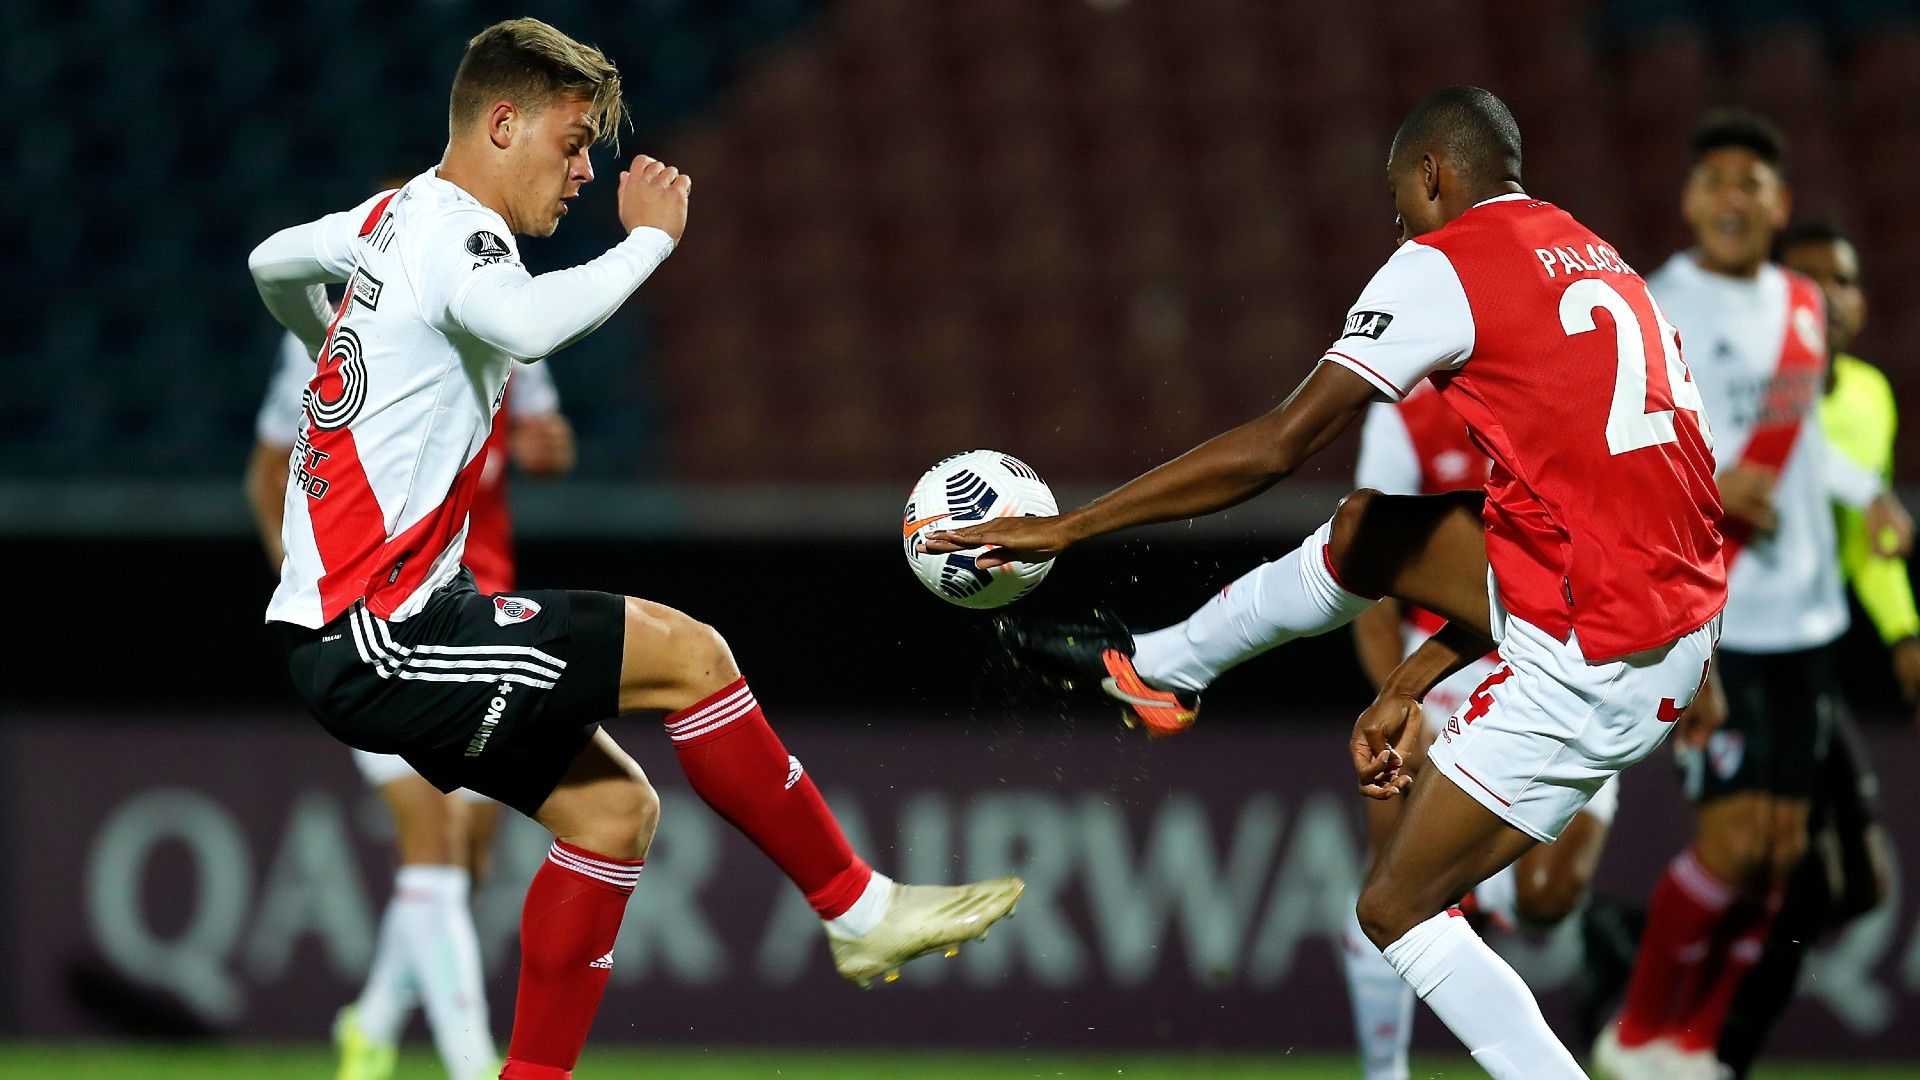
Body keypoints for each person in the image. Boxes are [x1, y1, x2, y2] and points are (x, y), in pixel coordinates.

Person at [247, 19, 1021, 1080]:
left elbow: (271, 260)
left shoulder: (387, 220)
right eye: (570, 144)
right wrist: (651, 239)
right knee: (692, 655)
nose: (582, 173)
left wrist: (311, 335)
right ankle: (858, 907)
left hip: (370, 628)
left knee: (613, 814)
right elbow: (522, 325)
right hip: (384, 632)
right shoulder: (457, 236)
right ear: (502, 123)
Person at [926, 85, 1725, 1078]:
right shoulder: (1597, 256)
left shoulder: (1446, 263)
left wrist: (1073, 526)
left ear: (1435, 173)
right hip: (1666, 612)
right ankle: (1167, 667)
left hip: (1598, 648)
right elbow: (1590, 517)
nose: (1400, 223)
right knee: (1368, 528)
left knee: (1395, 909)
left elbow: (1277, 444)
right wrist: (1410, 677)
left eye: (1402, 200)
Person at [1603, 114, 1911, 1080]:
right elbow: (1622, 456)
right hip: (1714, 613)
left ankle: (1694, 1046)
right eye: (1716, 180)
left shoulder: (1803, 309)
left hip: (1808, 620)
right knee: (1733, 845)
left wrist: (1871, 495)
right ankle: (1635, 1034)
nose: (1734, 197)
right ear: (1691, 199)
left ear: (1779, 206)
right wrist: (1715, 487)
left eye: (1754, 183)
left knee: (1784, 852)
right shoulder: (1651, 306)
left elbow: (1808, 443)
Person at [248, 315, 574, 1080]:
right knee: (430, 830)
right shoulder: (324, 337)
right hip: (363, 629)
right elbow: (266, 475)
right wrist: (305, 588)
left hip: (475, 615)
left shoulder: (499, 313)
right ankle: (472, 1064)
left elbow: (542, 442)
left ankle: (372, 1020)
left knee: (470, 853)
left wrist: (548, 453)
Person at [1339, 386, 1621, 1080]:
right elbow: (1368, 581)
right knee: (1391, 884)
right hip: (1442, 670)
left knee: (1549, 896)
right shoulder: (1403, 418)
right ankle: (1385, 1072)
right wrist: (1401, 697)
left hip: (1561, 671)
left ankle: (1473, 890)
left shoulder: (1577, 398)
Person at [1711, 222, 1907, 1078]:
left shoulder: (1868, 397)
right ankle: (1713, 1046)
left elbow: (1869, 547)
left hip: (1816, 653)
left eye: (1848, 280)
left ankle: (1697, 1023)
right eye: (1813, 280)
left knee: (1851, 884)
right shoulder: (1745, 380)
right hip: (1741, 648)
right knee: (1770, 865)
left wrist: (1903, 630)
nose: (1832, 296)